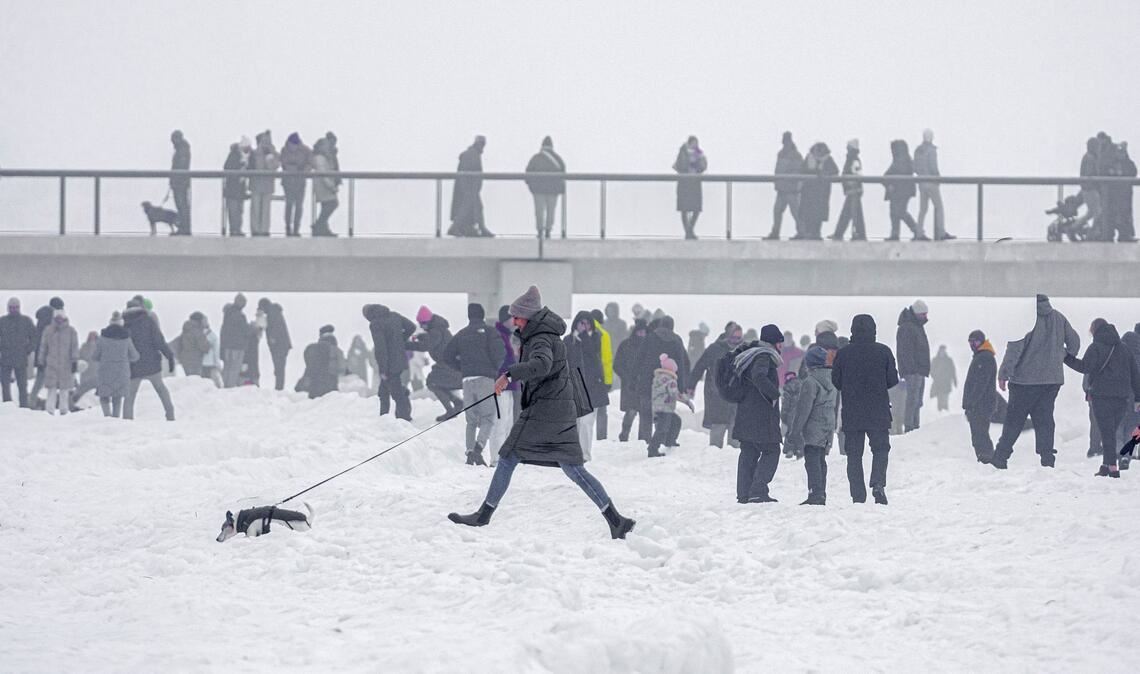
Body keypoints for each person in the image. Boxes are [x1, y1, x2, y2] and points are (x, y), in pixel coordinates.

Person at [447, 286, 636, 540]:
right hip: (555, 409)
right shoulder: (543, 334)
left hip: (546, 410)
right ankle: (616, 520)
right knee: (572, 468)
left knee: (508, 456)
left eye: (517, 317)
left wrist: (510, 373)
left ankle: (484, 515)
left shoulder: (541, 338)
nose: (513, 321)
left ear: (528, 316)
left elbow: (542, 365)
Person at [991, 295, 1080, 470]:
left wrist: (1004, 373)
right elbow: (1074, 344)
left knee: (1014, 419)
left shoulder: (1025, 319)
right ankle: (1047, 458)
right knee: (1045, 419)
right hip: (1051, 381)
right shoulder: (1059, 318)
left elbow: (1015, 347)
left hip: (1024, 381)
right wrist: (1060, 354)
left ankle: (1001, 457)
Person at [832, 314, 899, 504]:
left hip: (852, 411)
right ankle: (878, 484)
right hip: (878, 410)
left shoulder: (843, 353)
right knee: (880, 449)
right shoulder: (883, 351)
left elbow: (836, 381)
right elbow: (892, 380)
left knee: (854, 454)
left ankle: (857, 495)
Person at [1063, 320, 1140, 477]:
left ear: (1095, 330)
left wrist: (1065, 357)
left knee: (1107, 432)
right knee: (1110, 431)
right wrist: (1138, 398)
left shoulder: (1095, 347)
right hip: (1122, 398)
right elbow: (1135, 375)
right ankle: (1107, 465)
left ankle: (1112, 467)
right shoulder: (1124, 349)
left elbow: (1085, 367)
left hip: (1101, 397)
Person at [442, 303, 506, 466]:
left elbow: (447, 355)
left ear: (469, 316)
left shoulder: (461, 334)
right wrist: (494, 369)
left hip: (467, 381)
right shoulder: (490, 332)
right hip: (485, 379)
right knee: (488, 417)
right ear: (483, 315)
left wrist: (462, 368)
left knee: (470, 420)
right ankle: (478, 449)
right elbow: (500, 353)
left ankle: (470, 453)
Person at [730, 325, 785, 503]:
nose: (781, 347)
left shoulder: (749, 355)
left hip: (746, 412)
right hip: (760, 416)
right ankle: (758, 489)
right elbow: (759, 376)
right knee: (772, 450)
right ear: (773, 343)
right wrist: (774, 394)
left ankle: (744, 493)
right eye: (780, 343)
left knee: (749, 451)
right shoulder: (763, 356)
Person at [785, 345, 838, 505]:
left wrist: (795, 431)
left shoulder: (810, 382)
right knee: (821, 459)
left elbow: (803, 409)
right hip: (828, 423)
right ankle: (821, 492)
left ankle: (815, 494)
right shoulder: (833, 379)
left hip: (813, 425)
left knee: (812, 460)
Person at [634, 315, 689, 445]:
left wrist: (634, 379)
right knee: (664, 412)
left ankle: (644, 441)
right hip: (667, 383)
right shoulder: (676, 340)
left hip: (647, 381)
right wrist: (681, 386)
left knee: (646, 413)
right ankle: (663, 440)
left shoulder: (650, 338)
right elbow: (682, 364)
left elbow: (639, 359)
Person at [689, 321, 743, 448]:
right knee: (718, 429)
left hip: (737, 397)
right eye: (734, 337)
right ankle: (714, 457)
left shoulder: (743, 350)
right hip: (717, 396)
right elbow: (699, 367)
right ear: (727, 335)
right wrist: (691, 386)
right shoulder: (715, 349)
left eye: (739, 338)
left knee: (735, 432)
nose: (736, 341)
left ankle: (733, 459)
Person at [564, 311, 608, 461]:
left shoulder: (595, 338)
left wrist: (584, 338)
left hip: (593, 387)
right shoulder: (568, 340)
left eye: (588, 323)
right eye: (582, 323)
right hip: (574, 385)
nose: (585, 326)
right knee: (575, 422)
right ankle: (574, 452)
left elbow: (594, 356)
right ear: (576, 323)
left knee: (586, 422)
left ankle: (585, 455)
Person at [123, 299, 176, 421]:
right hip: (152, 363)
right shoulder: (148, 321)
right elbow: (159, 341)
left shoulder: (125, 325)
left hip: (134, 366)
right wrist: (169, 356)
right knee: (161, 389)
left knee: (130, 396)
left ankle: (127, 420)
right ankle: (170, 415)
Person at [362, 303, 417, 421]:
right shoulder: (394, 316)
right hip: (400, 359)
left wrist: (383, 369)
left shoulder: (375, 324)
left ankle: (404, 418)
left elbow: (381, 348)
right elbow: (411, 327)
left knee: (396, 393)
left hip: (389, 363)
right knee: (383, 391)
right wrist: (400, 339)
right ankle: (384, 418)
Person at [411, 306, 464, 421]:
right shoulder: (439, 329)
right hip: (451, 365)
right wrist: (420, 337)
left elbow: (427, 345)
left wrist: (406, 345)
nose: (420, 326)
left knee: (432, 383)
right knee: (434, 382)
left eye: (421, 323)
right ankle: (457, 402)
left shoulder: (436, 331)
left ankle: (452, 409)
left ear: (427, 322)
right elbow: (432, 339)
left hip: (450, 366)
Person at [487, 305, 522, 464]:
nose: (515, 321)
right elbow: (498, 361)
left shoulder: (508, 335)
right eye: (512, 318)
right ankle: (496, 458)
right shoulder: (498, 335)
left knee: (508, 421)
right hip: (501, 385)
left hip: (510, 384)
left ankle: (505, 456)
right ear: (505, 319)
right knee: (499, 422)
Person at [93, 311, 138, 418]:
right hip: (121, 371)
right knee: (117, 397)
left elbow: (95, 356)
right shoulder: (126, 338)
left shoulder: (102, 338)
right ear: (121, 323)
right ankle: (115, 418)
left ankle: (106, 416)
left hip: (105, 371)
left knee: (104, 395)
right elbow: (135, 356)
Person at [647, 354, 694, 458]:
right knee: (662, 428)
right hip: (665, 408)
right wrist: (688, 402)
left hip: (658, 406)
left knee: (675, 421)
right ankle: (653, 448)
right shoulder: (670, 380)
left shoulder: (658, 378)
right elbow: (675, 394)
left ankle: (669, 440)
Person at [896, 299, 931, 432]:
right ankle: (910, 427)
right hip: (913, 371)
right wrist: (911, 370)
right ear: (917, 314)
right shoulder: (907, 328)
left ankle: (915, 426)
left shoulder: (915, 326)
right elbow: (905, 352)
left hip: (919, 371)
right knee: (912, 401)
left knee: (917, 401)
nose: (926, 317)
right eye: (923, 314)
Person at [962, 330, 997, 463]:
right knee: (979, 433)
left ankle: (987, 459)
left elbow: (980, 384)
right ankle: (985, 458)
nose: (972, 345)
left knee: (980, 434)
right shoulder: (981, 356)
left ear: (982, 341)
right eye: (970, 342)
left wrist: (971, 403)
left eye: (975, 341)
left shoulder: (985, 358)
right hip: (980, 404)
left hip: (981, 404)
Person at [793, 142, 839, 240]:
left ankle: (815, 233)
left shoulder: (827, 160)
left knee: (817, 214)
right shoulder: (810, 158)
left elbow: (835, 171)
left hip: (820, 193)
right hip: (810, 192)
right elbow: (802, 170)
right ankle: (809, 233)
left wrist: (822, 174)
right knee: (809, 214)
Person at [914, 129, 954, 240]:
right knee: (939, 207)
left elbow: (915, 167)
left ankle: (919, 232)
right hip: (931, 182)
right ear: (931, 137)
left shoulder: (918, 150)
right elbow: (933, 167)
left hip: (921, 183)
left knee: (923, 209)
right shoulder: (931, 150)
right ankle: (941, 232)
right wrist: (938, 178)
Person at [37, 310, 78, 415]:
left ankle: (64, 410)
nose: (59, 320)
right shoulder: (48, 330)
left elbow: (74, 347)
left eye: (61, 318)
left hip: (66, 364)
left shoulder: (71, 331)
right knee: (51, 388)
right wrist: (41, 361)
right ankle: (49, 410)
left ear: (64, 318)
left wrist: (74, 361)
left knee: (65, 389)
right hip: (52, 364)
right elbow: (43, 347)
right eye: (57, 318)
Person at [449, 136, 492, 237]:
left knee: (475, 208)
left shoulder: (472, 154)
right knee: (467, 208)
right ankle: (455, 227)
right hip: (470, 188)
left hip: (471, 188)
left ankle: (481, 228)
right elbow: (468, 173)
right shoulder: (472, 155)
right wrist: (468, 188)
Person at [524, 136, 566, 239]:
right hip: (553, 190)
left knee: (539, 210)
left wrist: (532, 187)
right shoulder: (558, 159)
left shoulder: (536, 158)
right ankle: (548, 230)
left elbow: (527, 174)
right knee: (551, 210)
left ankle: (540, 231)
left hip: (538, 190)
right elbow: (563, 174)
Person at [614, 318, 649, 442]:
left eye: (644, 332)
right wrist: (626, 377)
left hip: (644, 384)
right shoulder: (625, 345)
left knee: (644, 412)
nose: (641, 335)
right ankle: (624, 434)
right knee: (631, 411)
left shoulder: (649, 347)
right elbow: (617, 364)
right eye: (639, 332)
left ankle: (643, 438)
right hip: (630, 384)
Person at [885, 140, 925, 241]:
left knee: (899, 212)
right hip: (903, 191)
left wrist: (889, 184)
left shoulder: (899, 161)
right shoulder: (906, 160)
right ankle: (901, 233)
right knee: (896, 212)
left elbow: (887, 175)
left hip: (900, 191)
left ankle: (916, 231)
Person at [0, 297, 36, 407]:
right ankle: (7, 406)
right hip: (5, 358)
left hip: (21, 358)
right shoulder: (2, 321)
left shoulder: (26, 321)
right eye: (11, 307)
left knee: (22, 385)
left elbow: (34, 337)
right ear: (8, 308)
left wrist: (28, 350)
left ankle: (24, 408)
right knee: (5, 385)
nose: (13, 309)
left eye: (16, 307)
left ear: (19, 308)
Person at [766, 131, 802, 240]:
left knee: (795, 212)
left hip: (791, 189)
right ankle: (775, 232)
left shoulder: (795, 155)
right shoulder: (781, 154)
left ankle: (802, 232)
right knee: (777, 211)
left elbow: (798, 171)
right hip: (782, 189)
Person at [30, 297, 64, 407]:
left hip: (41, 354)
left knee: (40, 380)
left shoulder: (42, 318)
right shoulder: (50, 318)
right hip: (49, 355)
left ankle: (32, 401)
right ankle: (51, 404)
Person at [673, 136, 707, 240]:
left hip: (695, 184)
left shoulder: (699, 153)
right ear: (690, 143)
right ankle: (688, 232)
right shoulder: (683, 152)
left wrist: (700, 157)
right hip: (685, 183)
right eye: (694, 143)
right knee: (684, 209)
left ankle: (689, 230)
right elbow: (681, 165)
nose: (695, 145)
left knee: (696, 209)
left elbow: (703, 167)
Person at [831, 139, 866, 240]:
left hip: (853, 190)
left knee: (852, 213)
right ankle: (856, 233)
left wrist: (849, 183)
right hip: (853, 190)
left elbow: (856, 174)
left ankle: (853, 233)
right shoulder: (853, 159)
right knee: (851, 213)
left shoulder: (853, 160)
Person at [280, 132, 312, 238]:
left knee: (298, 206)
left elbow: (310, 164)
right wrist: (294, 168)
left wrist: (303, 171)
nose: (292, 147)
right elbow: (283, 164)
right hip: (288, 182)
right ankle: (288, 227)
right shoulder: (284, 150)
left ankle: (296, 229)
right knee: (289, 205)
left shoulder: (306, 151)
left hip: (300, 182)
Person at [249, 131, 279, 237]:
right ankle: (255, 229)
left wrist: (269, 157)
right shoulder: (254, 153)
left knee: (266, 208)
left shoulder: (274, 153)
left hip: (267, 184)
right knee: (256, 207)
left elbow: (275, 166)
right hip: (256, 183)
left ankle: (264, 229)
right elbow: (254, 166)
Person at [589, 309, 614, 441]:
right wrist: (608, 380)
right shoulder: (603, 335)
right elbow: (606, 359)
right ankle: (601, 437)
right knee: (601, 409)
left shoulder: (579, 332)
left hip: (584, 376)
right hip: (599, 377)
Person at [299, 325, 341, 399]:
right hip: (331, 390)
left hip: (315, 390)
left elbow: (309, 369)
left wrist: (300, 386)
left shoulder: (314, 349)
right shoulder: (336, 351)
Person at [259, 298, 292, 391]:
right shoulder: (274, 311)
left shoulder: (272, 312)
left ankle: (279, 387)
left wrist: (273, 338)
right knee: (279, 367)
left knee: (279, 367)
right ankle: (279, 386)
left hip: (279, 345)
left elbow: (275, 327)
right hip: (282, 344)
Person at [219, 293, 251, 388]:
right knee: (234, 368)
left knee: (227, 367)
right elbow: (245, 331)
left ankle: (224, 386)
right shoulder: (240, 316)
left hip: (227, 346)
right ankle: (230, 387)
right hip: (238, 346)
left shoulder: (228, 314)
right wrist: (253, 327)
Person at [1072, 138, 1102, 236]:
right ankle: (1093, 232)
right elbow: (1090, 174)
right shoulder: (1090, 158)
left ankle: (1073, 227)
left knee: (1091, 213)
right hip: (1090, 189)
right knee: (1097, 212)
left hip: (1088, 189)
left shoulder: (1089, 157)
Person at [311, 137, 339, 237]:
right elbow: (323, 173)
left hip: (323, 184)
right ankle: (318, 225)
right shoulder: (319, 158)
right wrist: (331, 186)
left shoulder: (325, 157)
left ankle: (323, 228)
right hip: (323, 185)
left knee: (326, 206)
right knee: (332, 204)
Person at [222, 142, 248, 236]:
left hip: (233, 189)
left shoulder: (232, 158)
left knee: (235, 210)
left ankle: (235, 229)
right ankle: (236, 229)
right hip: (236, 189)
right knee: (237, 211)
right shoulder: (238, 158)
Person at [170, 130, 192, 235]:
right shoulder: (183, 149)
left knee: (182, 205)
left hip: (180, 183)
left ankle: (184, 228)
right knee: (182, 205)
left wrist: (174, 180)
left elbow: (180, 167)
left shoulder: (182, 150)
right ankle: (184, 227)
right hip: (181, 182)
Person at [174, 312, 209, 377]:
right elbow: (204, 347)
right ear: (199, 320)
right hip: (195, 360)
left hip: (185, 359)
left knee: (190, 379)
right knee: (195, 380)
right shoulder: (198, 332)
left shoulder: (186, 330)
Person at [930, 345, 958, 412]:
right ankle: (940, 412)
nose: (942, 352)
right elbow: (931, 370)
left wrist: (955, 380)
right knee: (940, 398)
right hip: (938, 383)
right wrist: (935, 376)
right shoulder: (935, 360)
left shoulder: (949, 360)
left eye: (944, 350)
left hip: (946, 382)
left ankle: (945, 411)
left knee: (945, 397)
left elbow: (952, 371)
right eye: (941, 350)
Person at [242, 309, 265, 386]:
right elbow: (260, 328)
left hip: (248, 369)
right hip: (252, 370)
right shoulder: (254, 338)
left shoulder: (248, 337)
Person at [200, 315, 222, 388]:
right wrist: (217, 363)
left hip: (199, 362)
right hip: (210, 363)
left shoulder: (197, 334)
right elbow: (216, 351)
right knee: (212, 382)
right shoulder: (212, 336)